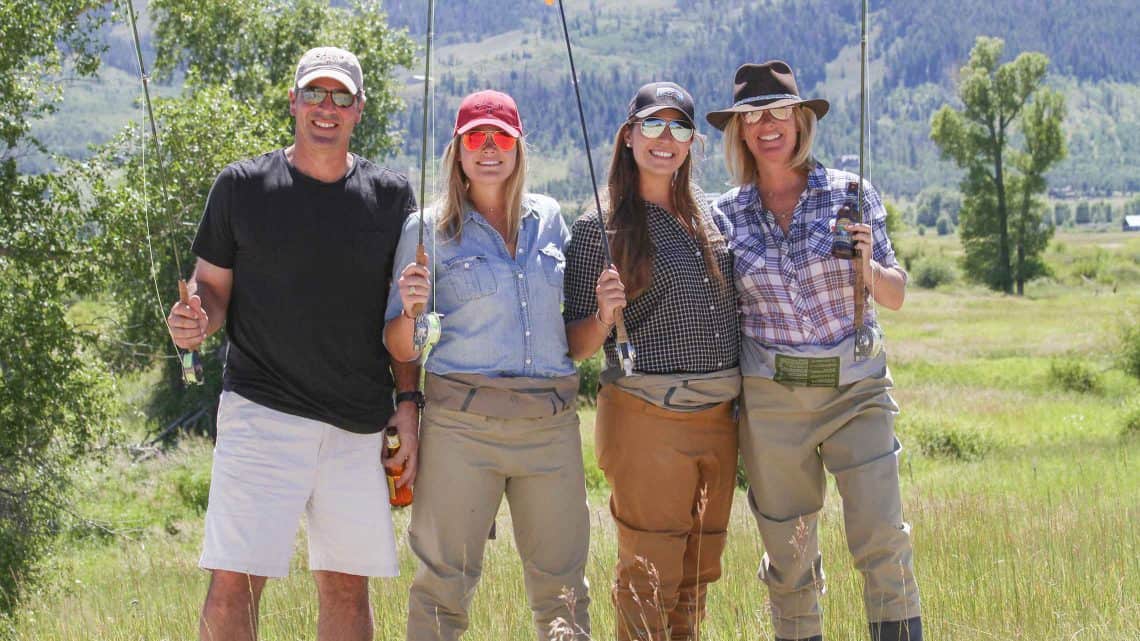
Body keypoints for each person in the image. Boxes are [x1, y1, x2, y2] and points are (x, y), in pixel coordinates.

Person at [165, 46, 421, 641]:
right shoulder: (241, 186)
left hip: (358, 422)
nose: (325, 108)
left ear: (359, 108)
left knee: (347, 589)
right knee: (234, 583)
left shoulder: (391, 197)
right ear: (293, 101)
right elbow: (210, 287)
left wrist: (408, 406)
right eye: (314, 93)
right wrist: (196, 319)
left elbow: (404, 321)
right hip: (261, 413)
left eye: (340, 96)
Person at [706, 60, 921, 641]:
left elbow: (896, 294)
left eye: (779, 111)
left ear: (801, 120)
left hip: (856, 391)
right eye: (753, 117)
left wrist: (866, 265)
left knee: (882, 537)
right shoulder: (722, 215)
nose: (767, 125)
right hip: (772, 404)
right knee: (790, 559)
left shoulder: (852, 192)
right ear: (740, 132)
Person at [384, 89, 590, 641]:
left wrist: (610, 309)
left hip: (551, 428)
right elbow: (400, 345)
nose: (489, 148)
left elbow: (570, 333)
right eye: (476, 137)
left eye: (502, 137)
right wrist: (410, 309)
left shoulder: (549, 217)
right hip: (461, 429)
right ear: (458, 149)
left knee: (564, 592)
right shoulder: (424, 229)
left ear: (520, 147)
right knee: (441, 588)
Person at [562, 82, 740, 641]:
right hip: (646, 416)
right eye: (654, 126)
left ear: (692, 142)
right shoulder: (600, 225)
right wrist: (600, 311)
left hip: (720, 418)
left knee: (696, 576)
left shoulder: (708, 217)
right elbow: (574, 346)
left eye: (680, 128)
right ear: (629, 134)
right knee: (648, 576)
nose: (666, 139)